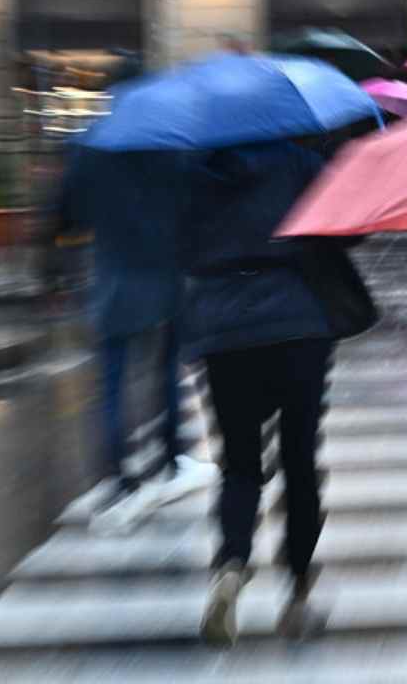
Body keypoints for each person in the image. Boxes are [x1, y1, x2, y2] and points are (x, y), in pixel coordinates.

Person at [181, 138, 375, 647]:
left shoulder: (199, 167)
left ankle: (230, 564)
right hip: (298, 322)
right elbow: (349, 230)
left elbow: (174, 244)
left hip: (222, 329)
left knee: (240, 462)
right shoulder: (299, 161)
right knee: (300, 458)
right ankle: (298, 592)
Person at [51, 148, 215, 535]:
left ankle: (119, 477)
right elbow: (196, 211)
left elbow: (65, 214)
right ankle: (172, 460)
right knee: (166, 376)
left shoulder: (89, 149)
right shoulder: (171, 150)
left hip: (111, 285)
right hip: (165, 283)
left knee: (111, 387)